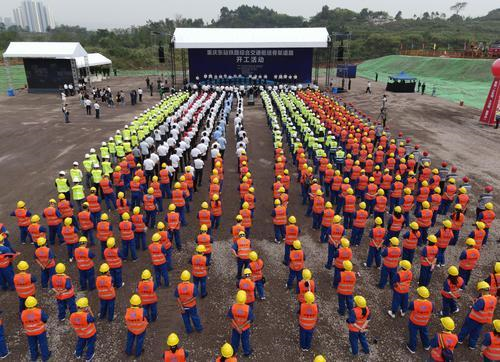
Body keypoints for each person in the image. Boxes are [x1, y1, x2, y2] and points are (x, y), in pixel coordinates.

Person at [458, 281, 497, 349]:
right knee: (476, 333)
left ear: (481, 290)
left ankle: (460, 339)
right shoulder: (494, 298)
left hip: (474, 318)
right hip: (483, 320)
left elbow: (476, 308)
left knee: (466, 328)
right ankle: (472, 345)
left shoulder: (482, 300)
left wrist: (474, 303)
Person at [21, 296, 51, 361]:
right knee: (43, 344)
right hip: (40, 331)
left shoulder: (23, 313)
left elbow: (23, 322)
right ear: (35, 304)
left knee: (32, 344)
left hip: (29, 332)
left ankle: (34, 357)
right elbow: (45, 319)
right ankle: (45, 357)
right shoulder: (39, 312)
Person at [407, 286, 433, 354]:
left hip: (414, 322)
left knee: (413, 335)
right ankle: (426, 345)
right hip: (424, 322)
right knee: (424, 333)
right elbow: (432, 310)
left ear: (418, 294)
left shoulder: (414, 303)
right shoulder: (431, 304)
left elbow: (409, 308)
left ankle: (412, 348)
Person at [69, 297, 96, 361]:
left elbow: (72, 323)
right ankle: (89, 357)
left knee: (80, 343)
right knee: (90, 344)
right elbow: (93, 319)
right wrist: (90, 310)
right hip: (90, 334)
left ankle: (78, 354)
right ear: (84, 307)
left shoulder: (72, 315)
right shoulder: (87, 316)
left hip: (80, 333)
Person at [228, 290, 254, 357]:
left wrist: (237, 327)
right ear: (245, 299)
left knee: (234, 339)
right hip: (244, 328)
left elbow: (231, 318)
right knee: (245, 340)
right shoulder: (248, 308)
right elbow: (250, 320)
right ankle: (247, 352)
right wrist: (241, 327)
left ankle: (233, 352)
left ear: (236, 298)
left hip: (235, 327)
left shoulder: (233, 307)